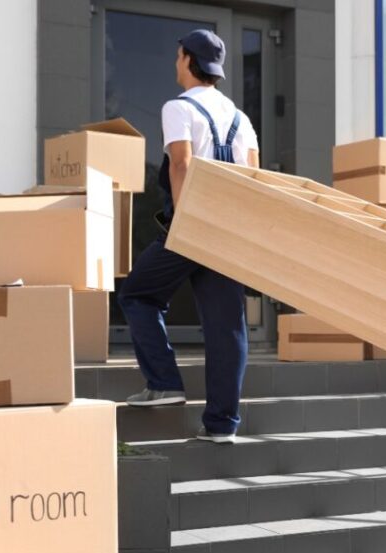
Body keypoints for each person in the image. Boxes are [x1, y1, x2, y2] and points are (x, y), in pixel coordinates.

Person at [119, 29, 259, 444]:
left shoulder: (177, 108)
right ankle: (221, 426)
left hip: (193, 225)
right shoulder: (241, 119)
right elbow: (255, 179)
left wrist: (185, 223)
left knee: (137, 294)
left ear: (186, 60)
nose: (175, 62)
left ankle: (164, 382)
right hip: (229, 231)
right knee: (227, 326)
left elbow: (180, 165)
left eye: (177, 56)